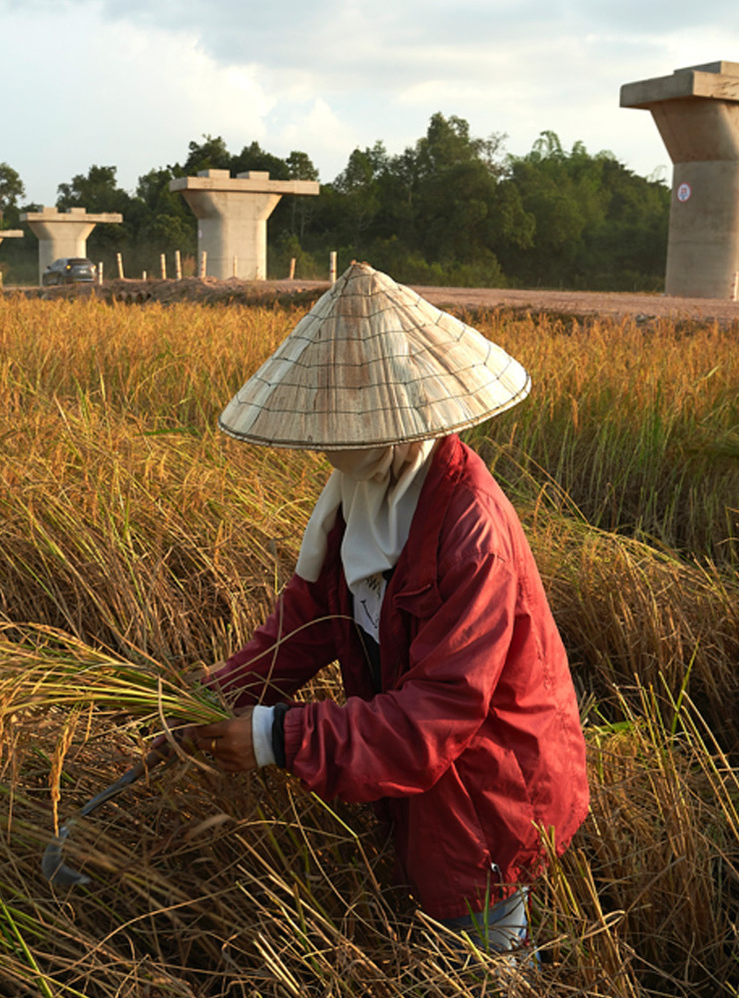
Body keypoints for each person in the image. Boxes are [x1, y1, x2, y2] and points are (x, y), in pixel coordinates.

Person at [187, 262, 590, 957]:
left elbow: (434, 717)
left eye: (346, 423)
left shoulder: (472, 533)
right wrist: (211, 699)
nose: (328, 442)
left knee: (479, 950)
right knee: (424, 935)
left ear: (403, 417)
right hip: (418, 784)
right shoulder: (357, 499)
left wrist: (276, 737)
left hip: (486, 789)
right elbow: (307, 622)